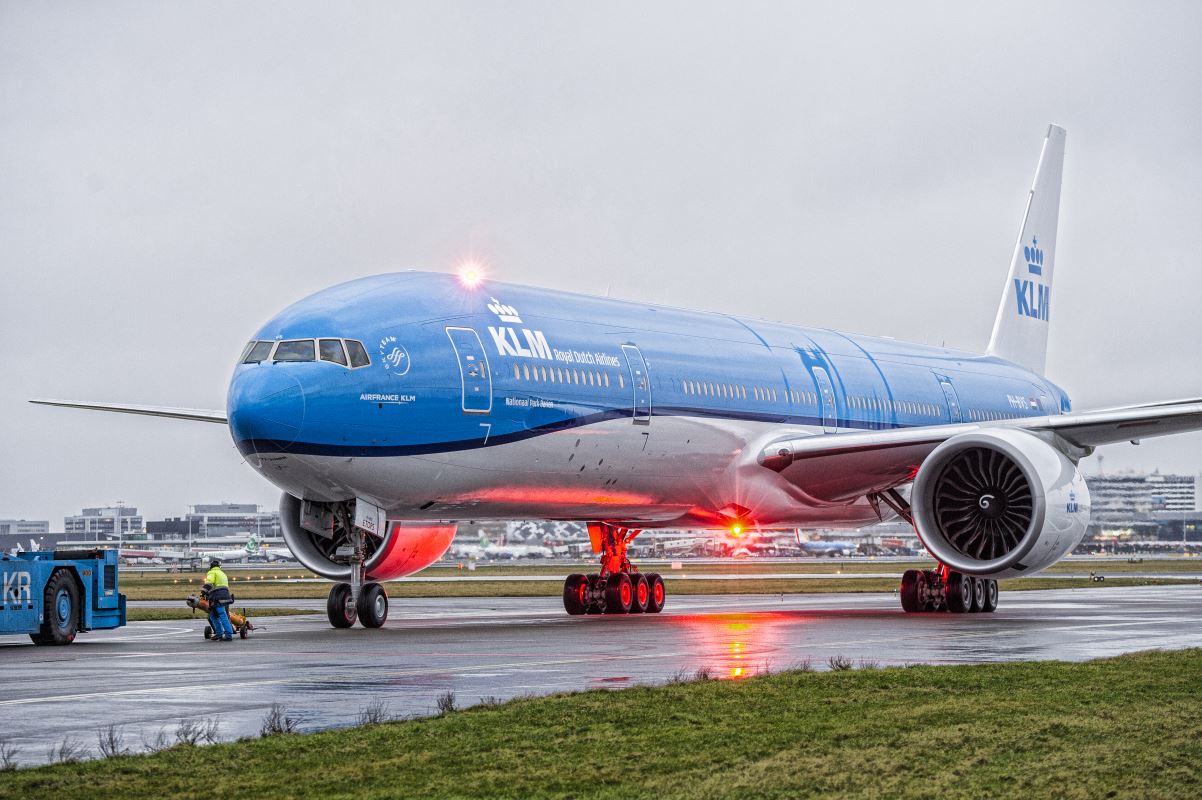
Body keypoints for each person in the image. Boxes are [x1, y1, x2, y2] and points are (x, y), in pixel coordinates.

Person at [203, 559, 235, 642]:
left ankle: (228, 635)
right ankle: (219, 633)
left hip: (217, 597)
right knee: (213, 615)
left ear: (211, 566)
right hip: (225, 596)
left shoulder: (212, 572)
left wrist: (203, 591)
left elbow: (209, 582)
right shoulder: (222, 573)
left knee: (221, 614)